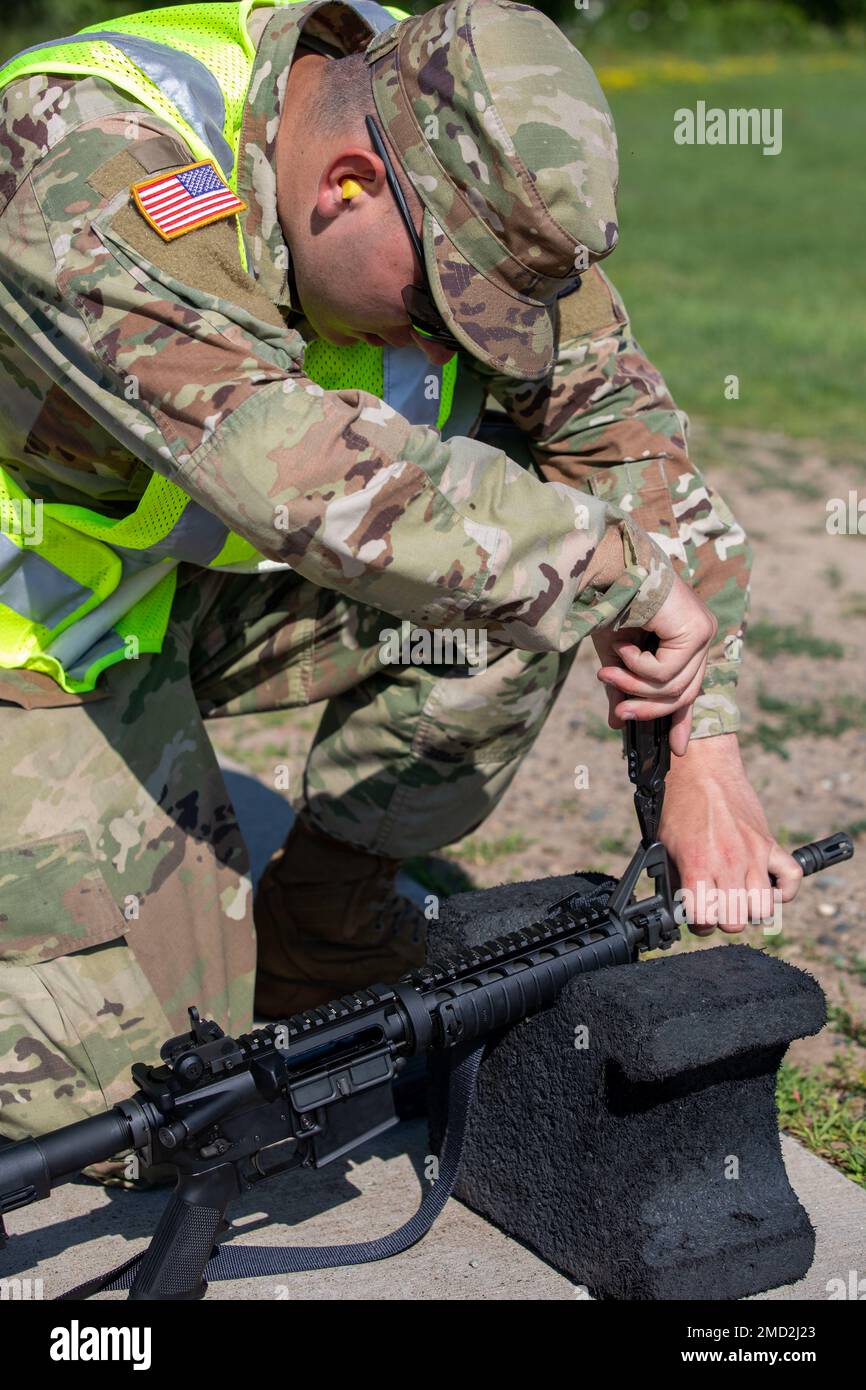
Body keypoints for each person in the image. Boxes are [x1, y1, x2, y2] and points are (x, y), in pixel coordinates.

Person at [0, 0, 801, 1150]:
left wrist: (701, 740)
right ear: (343, 187)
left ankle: (322, 925)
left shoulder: (471, 164)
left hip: (204, 586)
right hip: (40, 630)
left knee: (518, 572)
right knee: (121, 1104)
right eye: (438, 313)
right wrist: (612, 572)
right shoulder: (85, 158)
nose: (448, 352)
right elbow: (295, 467)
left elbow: (623, 439)